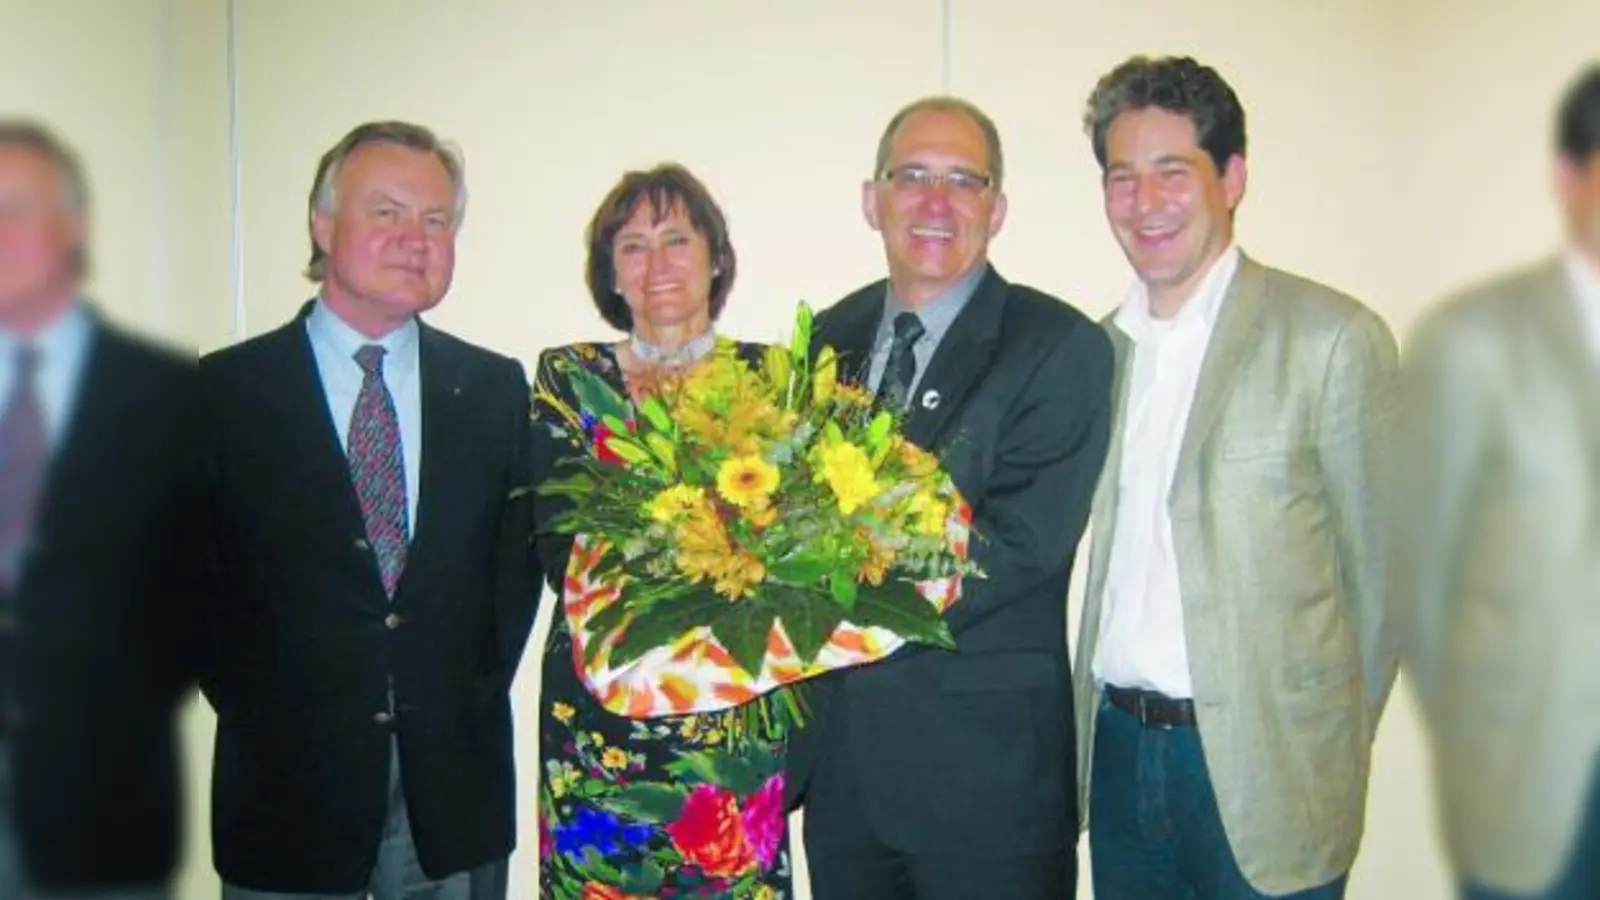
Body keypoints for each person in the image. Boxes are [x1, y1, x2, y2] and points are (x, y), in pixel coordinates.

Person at [1071, 55, 1399, 900]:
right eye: (1122, 178)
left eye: (1171, 173)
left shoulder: (1330, 338)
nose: (1145, 204)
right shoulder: (1096, 354)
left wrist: (1317, 745)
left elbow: (1386, 584)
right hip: (1117, 754)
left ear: (1233, 176)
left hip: (1271, 771)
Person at [199, 120, 540, 899]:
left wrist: (464, 691)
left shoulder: (495, 390)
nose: (414, 239)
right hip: (286, 796)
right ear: (323, 224)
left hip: (454, 797)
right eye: (385, 212)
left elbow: (513, 578)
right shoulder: (221, 394)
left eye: (436, 220)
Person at [786, 96, 1114, 899]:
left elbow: (1020, 546)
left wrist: (824, 598)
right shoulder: (825, 337)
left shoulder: (1058, 344)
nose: (937, 203)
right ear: (874, 198)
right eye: (914, 177)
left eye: (964, 181)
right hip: (845, 782)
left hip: (987, 785)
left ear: (996, 210)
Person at [529, 163, 794, 899]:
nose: (658, 264)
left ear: (715, 258)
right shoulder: (568, 378)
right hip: (598, 709)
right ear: (610, 276)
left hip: (732, 712)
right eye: (633, 247)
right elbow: (563, 544)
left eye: (677, 239)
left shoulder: (769, 378)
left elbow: (786, 549)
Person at [1401, 63, 1600, 900]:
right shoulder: (1473, 339)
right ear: (1569, 174)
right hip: (1536, 781)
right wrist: (1479, 736)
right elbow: (1419, 578)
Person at [0, 121, 200, 900]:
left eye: (18, 209)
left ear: (74, 225)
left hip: (105, 813)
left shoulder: (171, 395)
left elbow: (204, 597)